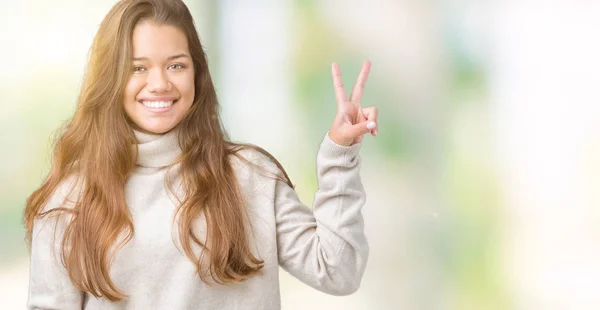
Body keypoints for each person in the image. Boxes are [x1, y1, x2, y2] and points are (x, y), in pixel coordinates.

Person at [23, 0, 378, 309]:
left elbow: (339, 272)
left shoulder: (250, 176)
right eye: (138, 68)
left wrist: (340, 153)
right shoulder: (69, 200)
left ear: (197, 72)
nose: (160, 83)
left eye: (176, 65)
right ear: (110, 78)